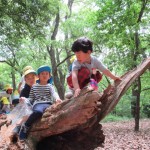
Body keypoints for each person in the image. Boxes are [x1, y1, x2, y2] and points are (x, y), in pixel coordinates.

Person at [19, 65, 62, 140]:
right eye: (42, 74)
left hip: (48, 103)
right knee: (38, 112)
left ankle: (57, 133)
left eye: (46, 74)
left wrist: (57, 98)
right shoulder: (34, 86)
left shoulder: (50, 86)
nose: (44, 75)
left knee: (54, 114)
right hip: (38, 104)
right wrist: (25, 99)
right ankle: (26, 126)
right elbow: (31, 98)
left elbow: (54, 93)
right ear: (38, 76)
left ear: (49, 76)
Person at [11, 68, 37, 140]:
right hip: (28, 109)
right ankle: (19, 126)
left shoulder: (39, 87)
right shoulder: (24, 90)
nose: (31, 80)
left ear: (36, 78)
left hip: (37, 106)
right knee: (27, 113)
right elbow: (22, 102)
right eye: (28, 78)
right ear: (25, 80)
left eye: (32, 78)